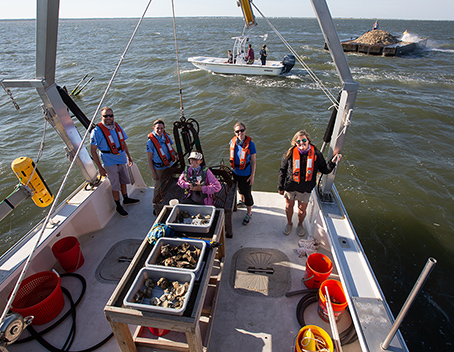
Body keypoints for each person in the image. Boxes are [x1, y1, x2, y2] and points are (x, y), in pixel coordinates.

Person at [278, 130, 341, 236]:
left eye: (304, 140)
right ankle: (289, 223)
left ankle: (300, 225)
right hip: (290, 186)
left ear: (308, 141)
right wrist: (280, 187)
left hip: (305, 188)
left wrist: (333, 162)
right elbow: (282, 171)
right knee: (289, 207)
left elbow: (325, 170)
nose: (301, 143)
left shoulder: (316, 154)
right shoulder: (289, 154)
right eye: (298, 141)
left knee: (302, 210)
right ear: (295, 143)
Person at [90, 107, 140, 217]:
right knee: (115, 184)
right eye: (105, 116)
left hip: (121, 159)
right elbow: (93, 151)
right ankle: (118, 205)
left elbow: (123, 143)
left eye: (110, 115)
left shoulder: (117, 126)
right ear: (101, 117)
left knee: (123, 180)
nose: (108, 118)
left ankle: (126, 198)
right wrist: (100, 167)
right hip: (109, 162)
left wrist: (129, 157)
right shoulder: (96, 132)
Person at [229, 122, 257, 225]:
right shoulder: (232, 142)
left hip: (246, 173)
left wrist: (252, 175)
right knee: (238, 189)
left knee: (247, 193)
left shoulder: (251, 145)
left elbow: (253, 161)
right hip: (235, 172)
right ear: (235, 132)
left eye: (242, 130)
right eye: (237, 131)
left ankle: (249, 213)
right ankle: (241, 201)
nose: (240, 133)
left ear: (245, 130)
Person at [147, 119, 178, 195]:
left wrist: (176, 154)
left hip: (170, 165)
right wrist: (153, 173)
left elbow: (170, 147)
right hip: (159, 168)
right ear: (153, 128)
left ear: (164, 128)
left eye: (161, 128)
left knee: (170, 183)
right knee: (159, 186)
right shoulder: (150, 142)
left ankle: (167, 198)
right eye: (157, 128)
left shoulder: (166, 136)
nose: (160, 130)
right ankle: (155, 203)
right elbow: (149, 159)